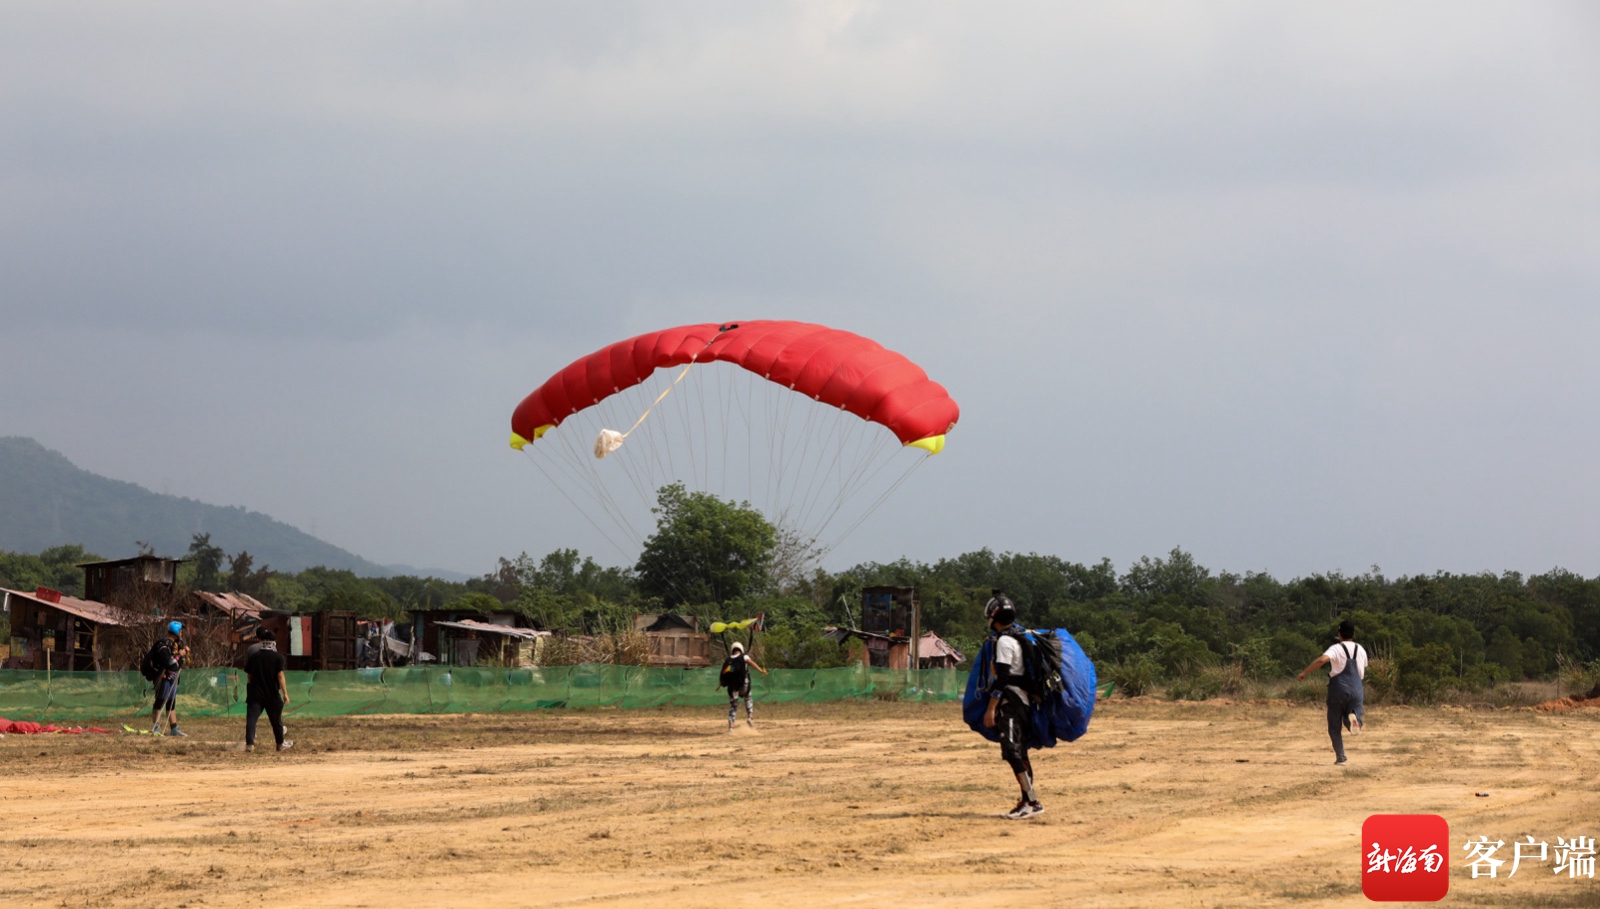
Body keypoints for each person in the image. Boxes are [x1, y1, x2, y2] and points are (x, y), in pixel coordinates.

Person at [982, 595, 1044, 819]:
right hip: (1022, 701)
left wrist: (991, 708)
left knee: (1012, 751)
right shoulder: (1016, 638)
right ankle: (1027, 801)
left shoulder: (1004, 642)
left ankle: (1033, 802)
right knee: (1019, 751)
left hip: (1012, 703)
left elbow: (1002, 679)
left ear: (993, 617)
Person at [1298, 619, 1368, 765]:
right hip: (1357, 689)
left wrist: (1305, 672)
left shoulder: (1336, 648)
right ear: (1353, 633)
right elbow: (1362, 670)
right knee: (1353, 715)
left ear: (1339, 633)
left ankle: (1341, 757)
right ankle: (1353, 720)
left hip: (1338, 688)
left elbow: (1321, 660)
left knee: (1334, 724)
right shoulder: (1361, 649)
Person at [242, 627, 292, 752]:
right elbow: (280, 675)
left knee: (251, 720)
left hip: (256, 694)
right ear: (273, 643)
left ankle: (249, 744)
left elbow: (249, 676)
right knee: (276, 721)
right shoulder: (278, 657)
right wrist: (285, 693)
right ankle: (280, 744)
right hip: (272, 694)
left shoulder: (254, 656)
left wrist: (252, 688)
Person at [150, 621, 190, 737]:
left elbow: (182, 663)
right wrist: (179, 655)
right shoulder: (164, 645)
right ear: (176, 631)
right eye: (180, 631)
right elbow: (169, 661)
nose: (182, 633)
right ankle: (156, 727)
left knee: (171, 702)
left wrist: (185, 654)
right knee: (160, 701)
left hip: (173, 678)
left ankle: (174, 728)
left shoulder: (178, 644)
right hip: (164, 677)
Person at [719, 641, 766, 731]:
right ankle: (750, 717)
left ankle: (731, 727)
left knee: (733, 706)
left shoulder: (728, 660)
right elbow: (751, 663)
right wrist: (761, 670)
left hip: (733, 688)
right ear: (741, 649)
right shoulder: (744, 656)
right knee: (748, 699)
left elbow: (723, 673)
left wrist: (721, 682)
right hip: (744, 685)